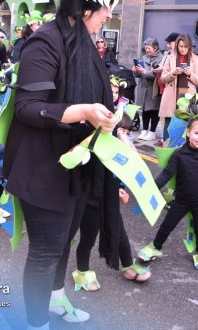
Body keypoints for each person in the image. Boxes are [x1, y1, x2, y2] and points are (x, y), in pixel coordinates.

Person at [2, 0, 124, 328]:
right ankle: (35, 322)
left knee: (61, 247)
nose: (108, 15)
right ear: (86, 5)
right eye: (106, 7)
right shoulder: (46, 41)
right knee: (45, 252)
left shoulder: (84, 43)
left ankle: (54, 302)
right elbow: (27, 108)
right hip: (43, 169)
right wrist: (84, 111)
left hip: (76, 168)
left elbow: (87, 93)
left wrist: (106, 107)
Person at [73, 114, 151, 292]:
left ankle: (128, 266)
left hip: (109, 201)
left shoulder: (119, 149)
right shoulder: (96, 146)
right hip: (91, 201)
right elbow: (93, 178)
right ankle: (81, 271)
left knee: (120, 234)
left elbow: (130, 165)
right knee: (88, 239)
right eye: (122, 131)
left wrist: (119, 189)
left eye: (128, 132)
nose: (126, 136)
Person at [137, 116, 198, 268]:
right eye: (197, 133)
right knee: (167, 225)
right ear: (188, 132)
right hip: (181, 200)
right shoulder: (179, 154)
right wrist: (151, 189)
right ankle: (156, 247)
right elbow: (166, 174)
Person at [158, 33, 198, 142]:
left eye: (185, 47)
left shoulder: (195, 59)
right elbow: (163, 78)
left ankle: (182, 151)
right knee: (169, 124)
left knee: (186, 124)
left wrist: (190, 73)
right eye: (181, 46)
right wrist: (173, 73)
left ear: (190, 46)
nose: (183, 49)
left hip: (187, 95)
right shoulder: (170, 57)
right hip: (171, 95)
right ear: (177, 45)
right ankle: (166, 148)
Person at [133, 37, 164, 141]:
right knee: (145, 110)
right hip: (143, 88)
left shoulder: (161, 58)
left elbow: (156, 74)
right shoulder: (143, 57)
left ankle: (152, 132)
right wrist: (136, 71)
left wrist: (144, 71)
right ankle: (144, 130)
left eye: (149, 48)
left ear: (155, 48)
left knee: (154, 111)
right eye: (145, 48)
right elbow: (139, 75)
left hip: (154, 88)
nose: (147, 50)